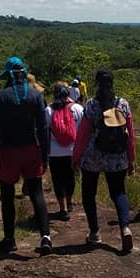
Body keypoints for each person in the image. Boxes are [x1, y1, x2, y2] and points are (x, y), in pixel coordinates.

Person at [0, 57, 52, 255]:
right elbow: (43, 127)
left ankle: (9, 239)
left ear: (8, 76)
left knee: (7, 197)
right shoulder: (35, 95)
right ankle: (45, 237)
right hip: (32, 149)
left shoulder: (1, 95)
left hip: (8, 152)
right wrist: (45, 155)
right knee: (37, 193)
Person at [72, 68, 136, 253]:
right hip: (118, 157)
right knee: (118, 192)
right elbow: (130, 135)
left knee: (88, 194)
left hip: (93, 157)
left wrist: (75, 159)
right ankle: (125, 228)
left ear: (97, 83)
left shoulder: (91, 104)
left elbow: (83, 135)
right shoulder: (123, 104)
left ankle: (94, 232)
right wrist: (131, 159)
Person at [46, 81, 84, 220]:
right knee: (70, 177)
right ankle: (70, 201)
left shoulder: (49, 110)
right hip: (72, 151)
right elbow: (82, 132)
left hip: (55, 152)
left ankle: (62, 209)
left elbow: (45, 133)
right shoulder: (78, 109)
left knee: (57, 179)